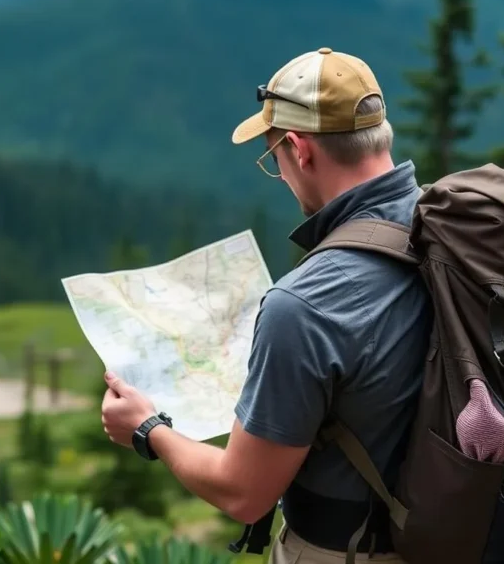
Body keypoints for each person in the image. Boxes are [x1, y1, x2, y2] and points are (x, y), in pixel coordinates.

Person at [100, 47, 433, 564]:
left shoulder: (306, 304)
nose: (279, 171)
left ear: (300, 150)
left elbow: (244, 493)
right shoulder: (451, 233)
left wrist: (148, 428)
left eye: (273, 156)